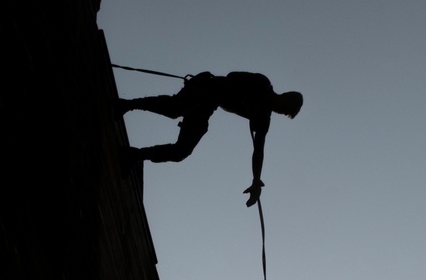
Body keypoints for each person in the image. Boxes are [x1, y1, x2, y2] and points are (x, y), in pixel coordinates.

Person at [119, 71, 302, 207]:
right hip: (207, 88)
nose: (281, 112)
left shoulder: (263, 118)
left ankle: (134, 155)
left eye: (285, 113)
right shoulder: (263, 84)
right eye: (285, 107)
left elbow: (258, 150)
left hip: (208, 108)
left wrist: (256, 180)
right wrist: (249, 100)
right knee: (175, 108)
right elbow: (231, 77)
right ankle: (127, 104)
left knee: (182, 150)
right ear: (285, 96)